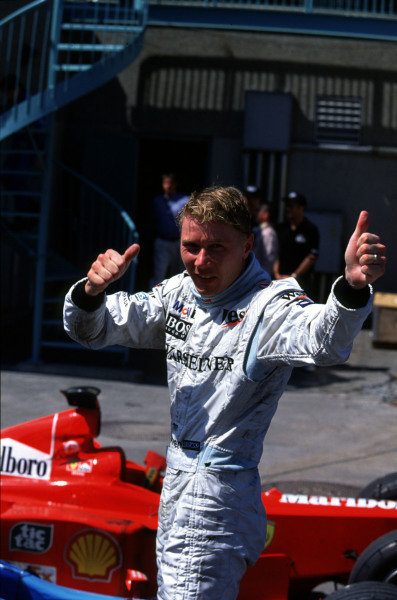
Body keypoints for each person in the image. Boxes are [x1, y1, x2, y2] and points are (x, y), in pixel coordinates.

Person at [64, 186, 386, 600]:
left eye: (217, 247)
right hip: (178, 485)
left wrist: (352, 290)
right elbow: (94, 328)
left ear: (248, 245)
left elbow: (324, 340)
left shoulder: (270, 306)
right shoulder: (180, 293)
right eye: (191, 246)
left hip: (214, 496)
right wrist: (91, 293)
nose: (201, 261)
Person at [274, 191, 319, 293]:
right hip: (281, 279)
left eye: (291, 206)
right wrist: (276, 273)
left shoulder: (310, 229)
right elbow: (276, 252)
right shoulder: (282, 228)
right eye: (287, 205)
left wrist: (294, 276)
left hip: (301, 282)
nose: (288, 209)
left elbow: (312, 256)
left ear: (301, 208)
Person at [151, 172, 188, 285]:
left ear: (175, 184)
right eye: (166, 183)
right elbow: (151, 221)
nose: (168, 186)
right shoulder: (157, 201)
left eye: (170, 183)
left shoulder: (184, 200)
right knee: (159, 274)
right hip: (162, 242)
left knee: (179, 275)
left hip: (178, 242)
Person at [252, 202, 278, 276]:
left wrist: (261, 277)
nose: (256, 213)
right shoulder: (258, 230)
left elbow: (269, 260)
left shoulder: (268, 233)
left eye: (258, 211)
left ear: (266, 215)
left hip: (260, 278)